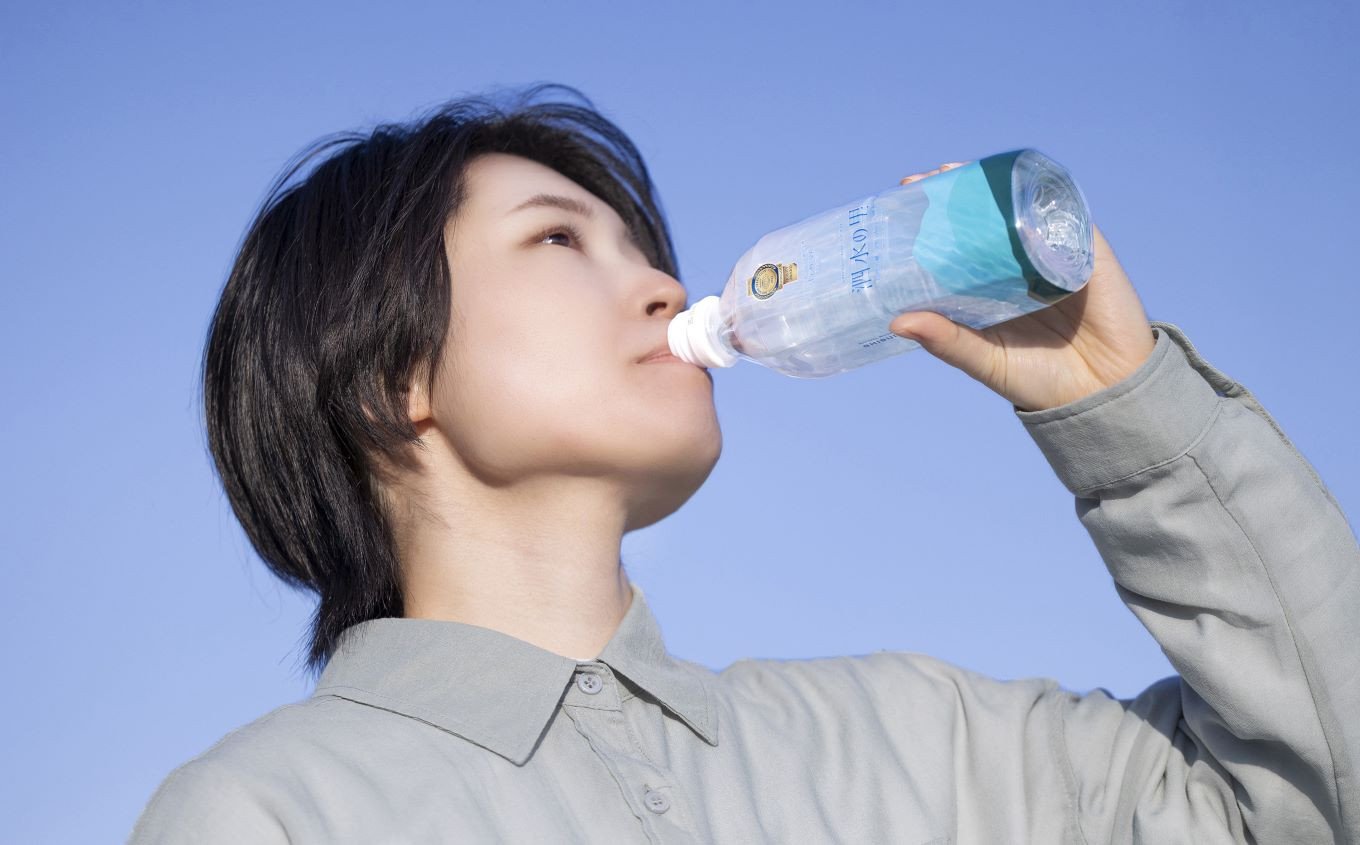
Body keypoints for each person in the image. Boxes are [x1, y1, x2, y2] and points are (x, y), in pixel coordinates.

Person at [129, 83, 1358, 844]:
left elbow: (1307, 802)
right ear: (386, 377)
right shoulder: (268, 813)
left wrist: (1128, 417)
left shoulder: (915, 743)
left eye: (642, 244)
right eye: (558, 239)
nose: (663, 281)